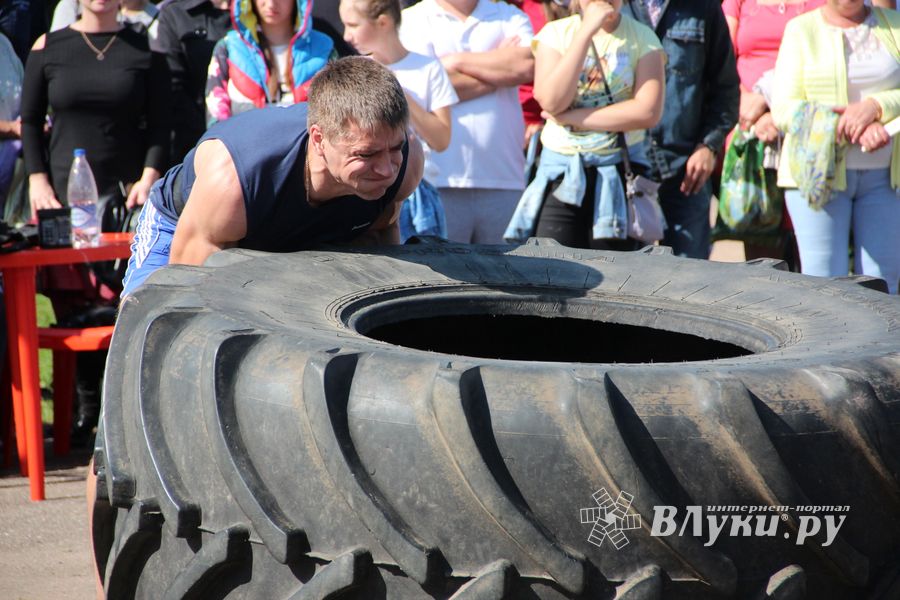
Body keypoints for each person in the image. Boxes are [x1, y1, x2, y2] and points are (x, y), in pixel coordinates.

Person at [121, 56, 424, 297]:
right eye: (366, 155)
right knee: (144, 320)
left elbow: (383, 231)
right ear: (318, 139)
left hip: (302, 229)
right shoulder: (234, 179)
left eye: (394, 149)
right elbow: (183, 296)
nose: (386, 169)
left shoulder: (406, 164)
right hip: (192, 225)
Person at [20, 0, 170, 443]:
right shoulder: (49, 47)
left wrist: (149, 179)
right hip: (61, 196)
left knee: (120, 299)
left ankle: (114, 411)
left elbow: (162, 127)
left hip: (125, 200)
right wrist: (36, 180)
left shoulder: (145, 51)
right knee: (73, 303)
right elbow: (30, 122)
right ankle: (83, 410)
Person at [504, 0, 665, 248]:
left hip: (619, 174)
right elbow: (551, 99)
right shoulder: (556, 34)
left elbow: (647, 111)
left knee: (616, 276)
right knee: (552, 269)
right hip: (561, 172)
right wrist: (586, 31)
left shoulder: (643, 38)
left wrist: (571, 118)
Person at [771, 0, 900, 293]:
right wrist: (842, 124)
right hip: (818, 179)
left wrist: (877, 108)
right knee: (824, 288)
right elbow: (783, 108)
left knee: (884, 286)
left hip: (887, 178)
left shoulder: (894, 24)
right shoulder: (800, 29)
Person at [398, 0, 535, 244]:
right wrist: (500, 69)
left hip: (505, 179)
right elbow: (419, 91)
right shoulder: (411, 19)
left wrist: (453, 62)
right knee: (444, 279)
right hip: (437, 181)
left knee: (510, 279)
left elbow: (526, 67)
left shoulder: (510, 15)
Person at [623, 0, 740, 259]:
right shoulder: (615, 7)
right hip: (624, 168)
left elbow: (726, 90)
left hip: (685, 170)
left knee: (690, 283)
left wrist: (709, 145)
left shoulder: (703, 7)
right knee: (621, 279)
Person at [339, 0, 458, 241]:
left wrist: (398, 91)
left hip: (418, 192)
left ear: (383, 22)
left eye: (352, 25)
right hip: (369, 189)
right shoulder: (357, 70)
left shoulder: (428, 68)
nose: (346, 35)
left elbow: (442, 138)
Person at [720, 0, 826, 265]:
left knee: (810, 251)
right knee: (761, 253)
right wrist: (749, 111)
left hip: (803, 127)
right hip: (749, 130)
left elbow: (828, 61)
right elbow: (720, 57)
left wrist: (773, 107)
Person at [205, 0, 335, 126]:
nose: (271, 4)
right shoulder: (229, 47)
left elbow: (337, 113)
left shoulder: (324, 48)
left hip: (308, 146)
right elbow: (216, 121)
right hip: (244, 146)